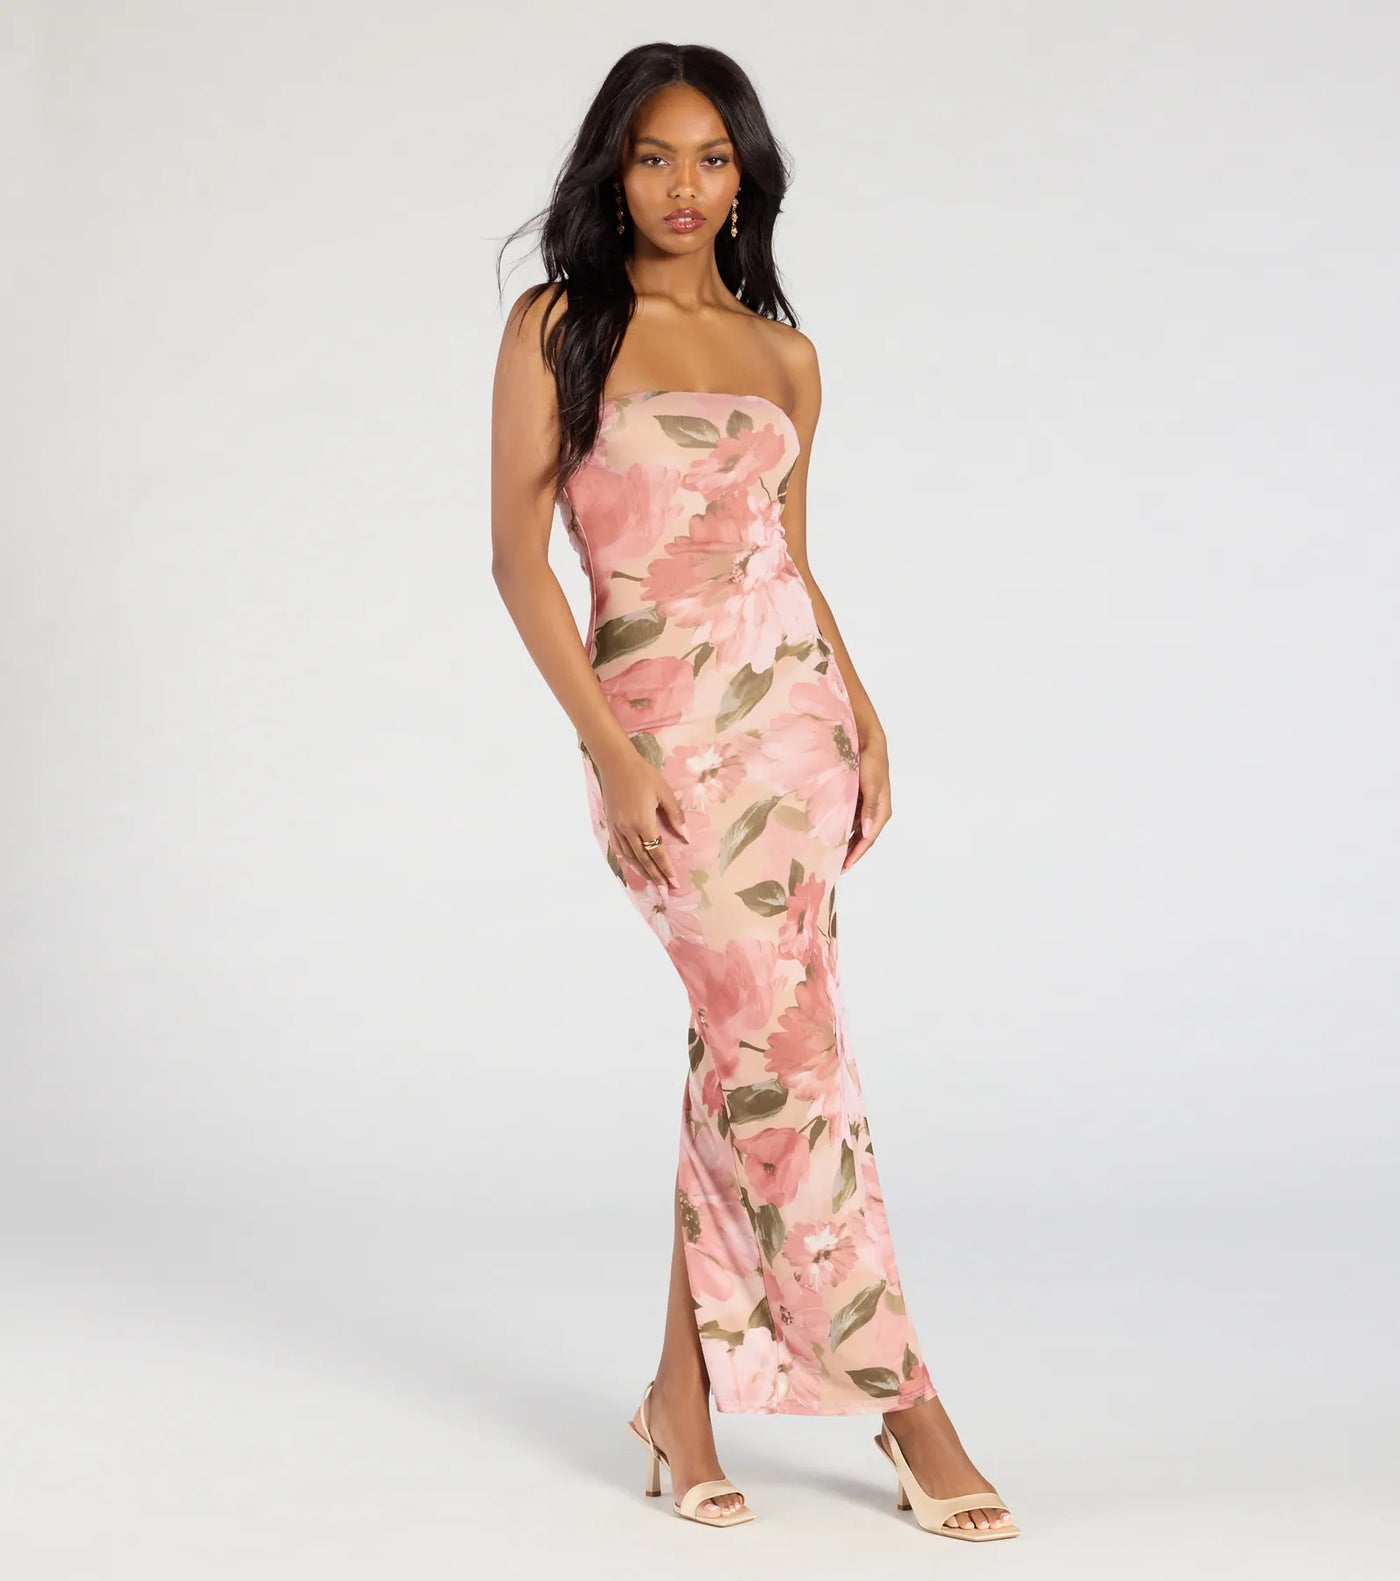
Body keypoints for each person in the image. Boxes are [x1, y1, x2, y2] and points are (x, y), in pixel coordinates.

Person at [489, 42, 1018, 1541]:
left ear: (746, 178)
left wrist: (865, 713)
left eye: (711, 158)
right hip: (658, 740)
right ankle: (908, 1403)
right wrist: (612, 751)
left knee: (751, 1049)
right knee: (784, 1051)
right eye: (655, 156)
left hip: (795, 732)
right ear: (613, 170)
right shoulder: (559, 326)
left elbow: (787, 558)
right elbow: (519, 564)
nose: (684, 186)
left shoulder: (787, 356)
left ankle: (682, 1398)